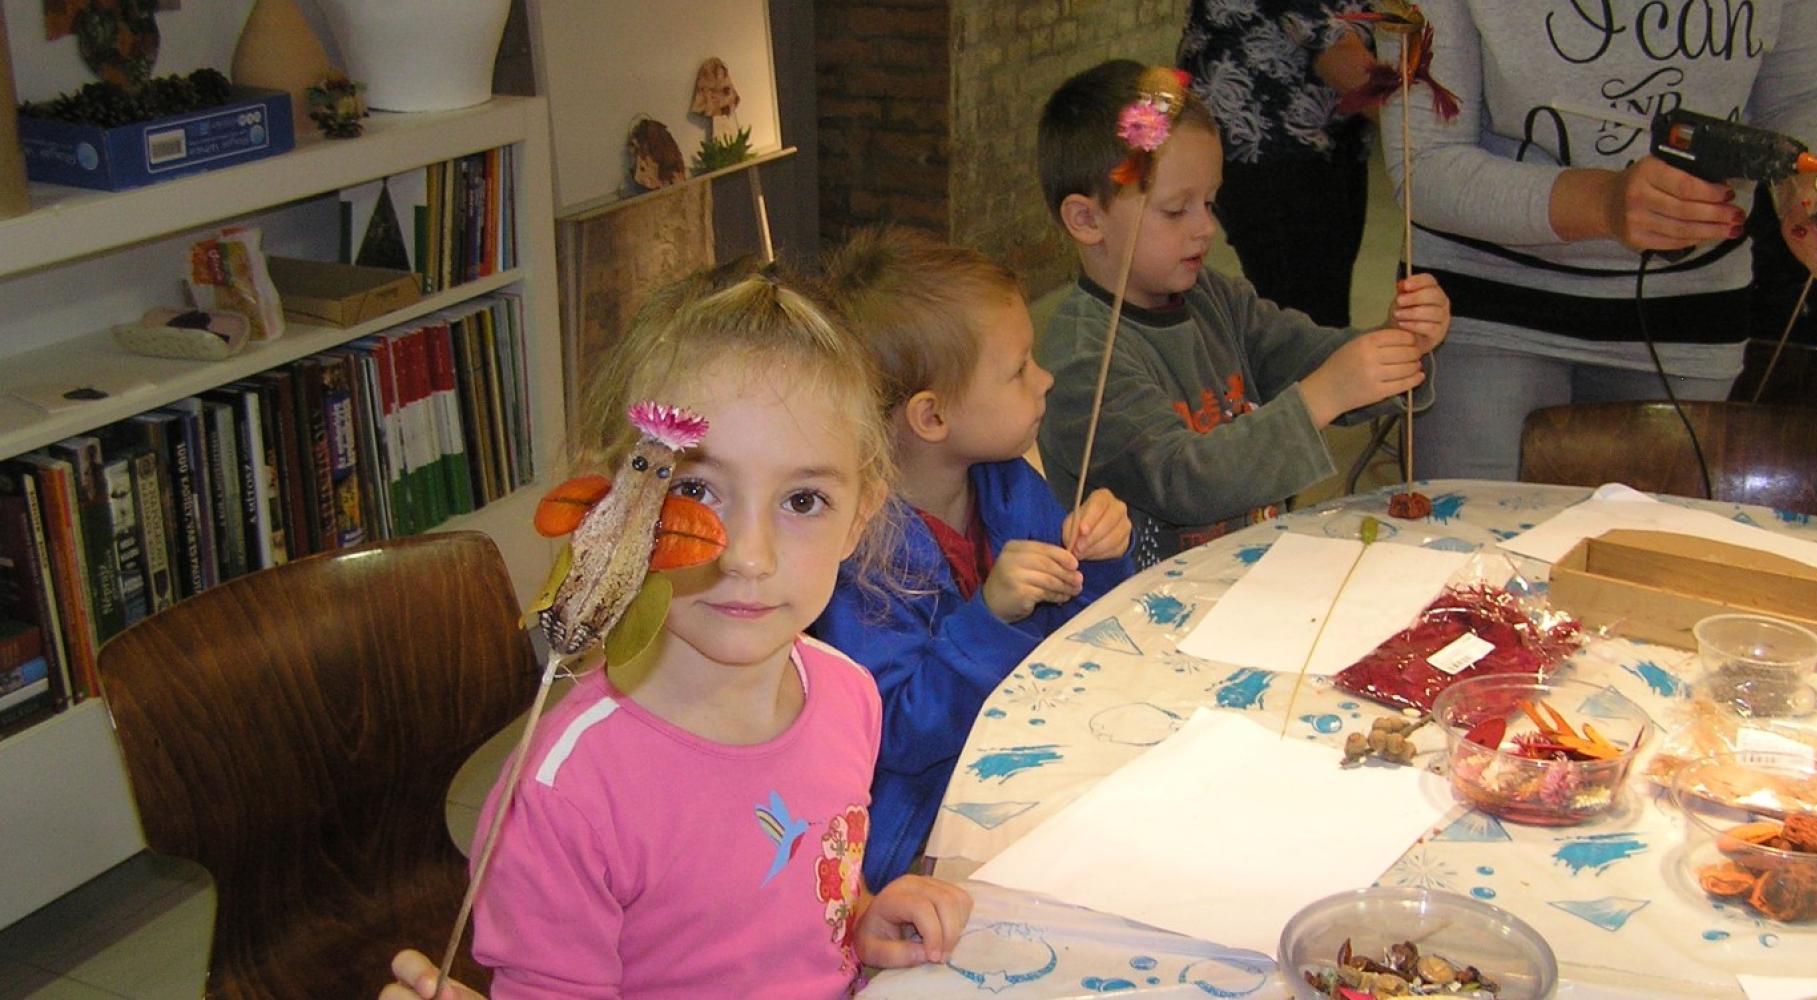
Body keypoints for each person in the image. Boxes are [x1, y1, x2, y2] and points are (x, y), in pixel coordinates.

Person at [383, 261, 971, 1000]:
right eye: (695, 489)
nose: (749, 556)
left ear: (860, 516)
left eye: (803, 500)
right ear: (613, 508)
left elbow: (804, 891)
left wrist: (859, 921)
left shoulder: (848, 694)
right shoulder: (567, 795)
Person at [1383, 0, 1817, 480]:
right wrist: (1604, 204)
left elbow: (1810, 93)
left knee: (1655, 537)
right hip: (1479, 309)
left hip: (1690, 312)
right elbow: (1424, 162)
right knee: (1475, 535)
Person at [813, 227, 1136, 891]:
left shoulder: (1007, 481)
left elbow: (1085, 636)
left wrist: (1098, 553)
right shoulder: (858, 561)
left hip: (1035, 764)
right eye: (1019, 370)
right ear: (932, 417)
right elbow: (899, 735)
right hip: (924, 837)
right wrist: (990, 616)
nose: (1044, 380)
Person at [1033, 60, 1452, 566]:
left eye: (1210, 203)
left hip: (1247, 576)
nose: (1205, 228)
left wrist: (1394, 343)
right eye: (1176, 209)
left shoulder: (1215, 297)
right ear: (1087, 219)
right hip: (1146, 599)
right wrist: (1323, 395)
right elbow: (1183, 480)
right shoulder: (1083, 360)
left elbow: (1309, 356)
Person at [1177, 0, 1381, 325]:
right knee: (1304, 317)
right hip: (1271, 146)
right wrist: (1426, 133)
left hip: (1334, 139)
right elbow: (1329, 43)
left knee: (1323, 306)